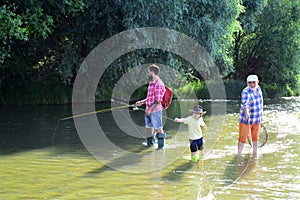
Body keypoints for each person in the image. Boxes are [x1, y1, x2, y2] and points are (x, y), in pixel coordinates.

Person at [135, 64, 166, 148]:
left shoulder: (159, 84)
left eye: (148, 72)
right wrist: (142, 102)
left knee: (158, 129)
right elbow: (150, 98)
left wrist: (150, 110)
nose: (147, 74)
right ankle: (150, 146)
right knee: (149, 128)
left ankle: (161, 148)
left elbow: (158, 100)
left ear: (153, 72)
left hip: (155, 111)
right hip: (148, 110)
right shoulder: (151, 83)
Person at [238, 74, 263, 155]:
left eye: (254, 82)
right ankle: (239, 155)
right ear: (247, 83)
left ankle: (255, 154)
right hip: (246, 120)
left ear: (258, 82)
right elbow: (246, 104)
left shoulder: (259, 89)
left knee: (255, 138)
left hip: (257, 119)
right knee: (242, 139)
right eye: (249, 83)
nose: (252, 85)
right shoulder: (246, 92)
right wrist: (247, 112)